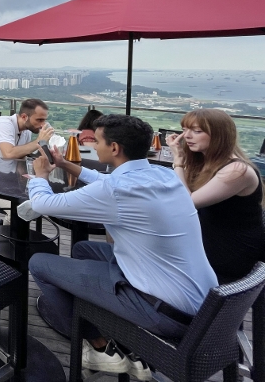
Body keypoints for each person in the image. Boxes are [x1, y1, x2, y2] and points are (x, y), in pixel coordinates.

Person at [24, 114, 217, 378]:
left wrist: (40, 177)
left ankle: (101, 348)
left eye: (98, 142)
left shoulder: (117, 191)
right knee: (82, 250)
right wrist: (65, 164)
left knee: (39, 263)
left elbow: (42, 204)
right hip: (204, 305)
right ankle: (110, 330)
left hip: (164, 312)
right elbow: (106, 183)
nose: (94, 147)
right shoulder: (162, 174)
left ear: (114, 148)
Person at [166, 108, 265, 283]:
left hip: (231, 251)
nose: (187, 136)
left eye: (196, 131)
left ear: (220, 135)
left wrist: (178, 163)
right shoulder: (204, 161)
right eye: (184, 130)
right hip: (209, 239)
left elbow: (187, 203)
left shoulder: (237, 170)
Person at [0, 98, 54, 169]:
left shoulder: (27, 130)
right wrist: (39, 141)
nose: (43, 124)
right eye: (39, 120)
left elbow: (22, 155)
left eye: (44, 120)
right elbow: (8, 154)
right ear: (24, 117)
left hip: (9, 172)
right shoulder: (3, 124)